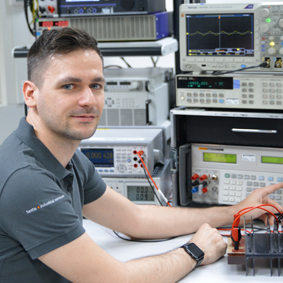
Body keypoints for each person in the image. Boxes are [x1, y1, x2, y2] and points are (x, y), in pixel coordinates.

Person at [0, 27, 282, 283]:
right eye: (69, 86)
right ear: (30, 94)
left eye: (96, 85)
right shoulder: (26, 180)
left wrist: (235, 212)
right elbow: (114, 280)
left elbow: (136, 219)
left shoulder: (65, 158)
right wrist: (195, 251)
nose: (88, 100)